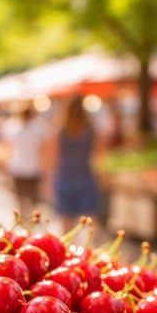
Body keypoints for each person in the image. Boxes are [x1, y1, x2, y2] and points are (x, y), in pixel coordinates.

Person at [50, 95, 102, 232]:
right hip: (85, 177)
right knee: (89, 217)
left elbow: (54, 156)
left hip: (65, 177)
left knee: (66, 220)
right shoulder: (90, 130)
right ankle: (87, 248)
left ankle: (68, 249)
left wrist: (49, 178)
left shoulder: (61, 131)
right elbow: (98, 155)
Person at [0, 102, 52, 218]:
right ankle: (29, 220)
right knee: (32, 199)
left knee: (20, 199)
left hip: (18, 167)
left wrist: (4, 166)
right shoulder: (39, 127)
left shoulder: (12, 127)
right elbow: (44, 150)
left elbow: (6, 149)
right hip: (32, 168)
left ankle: (22, 219)